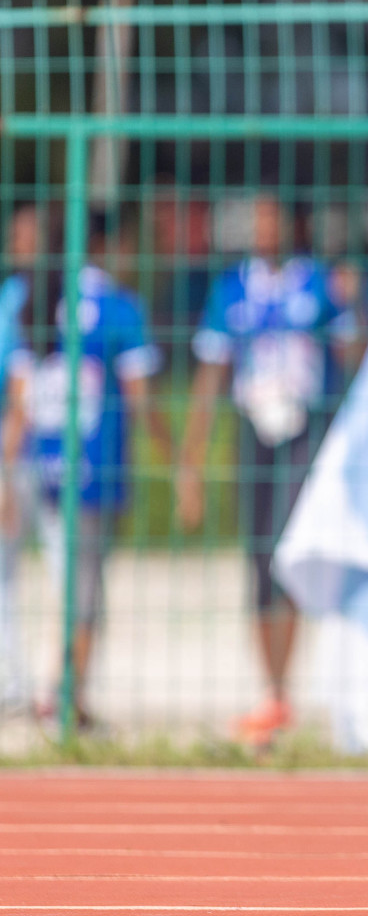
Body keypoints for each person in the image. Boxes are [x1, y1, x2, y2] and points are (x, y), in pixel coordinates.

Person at [177, 193, 360, 746]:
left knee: (292, 552)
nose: (262, 228)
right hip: (253, 432)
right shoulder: (230, 290)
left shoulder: (319, 284)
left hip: (306, 433)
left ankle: (295, 685)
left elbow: (357, 361)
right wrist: (192, 459)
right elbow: (210, 376)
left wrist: (355, 306)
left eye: (271, 218)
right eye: (254, 219)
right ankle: (274, 690)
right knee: (259, 558)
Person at [0, 213, 174, 729]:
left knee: (12, 577)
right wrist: (178, 461)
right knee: (79, 590)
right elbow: (142, 399)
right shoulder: (118, 306)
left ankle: (20, 686)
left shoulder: (32, 298)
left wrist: (5, 467)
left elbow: (21, 398)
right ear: (102, 243)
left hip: (32, 460)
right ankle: (62, 695)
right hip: (89, 470)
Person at [0, 204, 40, 713]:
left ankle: (56, 688)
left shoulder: (67, 296)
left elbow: (24, 390)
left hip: (34, 448)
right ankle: (15, 682)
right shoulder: (10, 298)